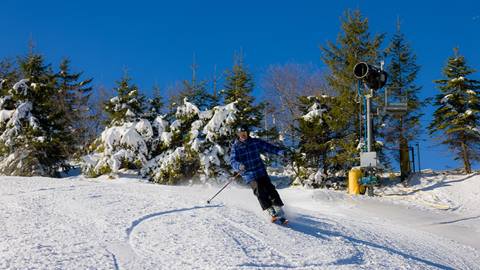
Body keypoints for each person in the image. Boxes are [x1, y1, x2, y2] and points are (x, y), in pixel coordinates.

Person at [229, 125, 288, 224]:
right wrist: (238, 166)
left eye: (244, 134)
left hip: (260, 170)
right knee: (259, 191)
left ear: (247, 133)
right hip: (248, 174)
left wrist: (279, 151)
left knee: (270, 189)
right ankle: (270, 210)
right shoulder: (236, 147)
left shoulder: (255, 142)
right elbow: (232, 160)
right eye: (240, 134)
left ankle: (278, 209)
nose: (242, 136)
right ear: (238, 135)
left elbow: (268, 147)